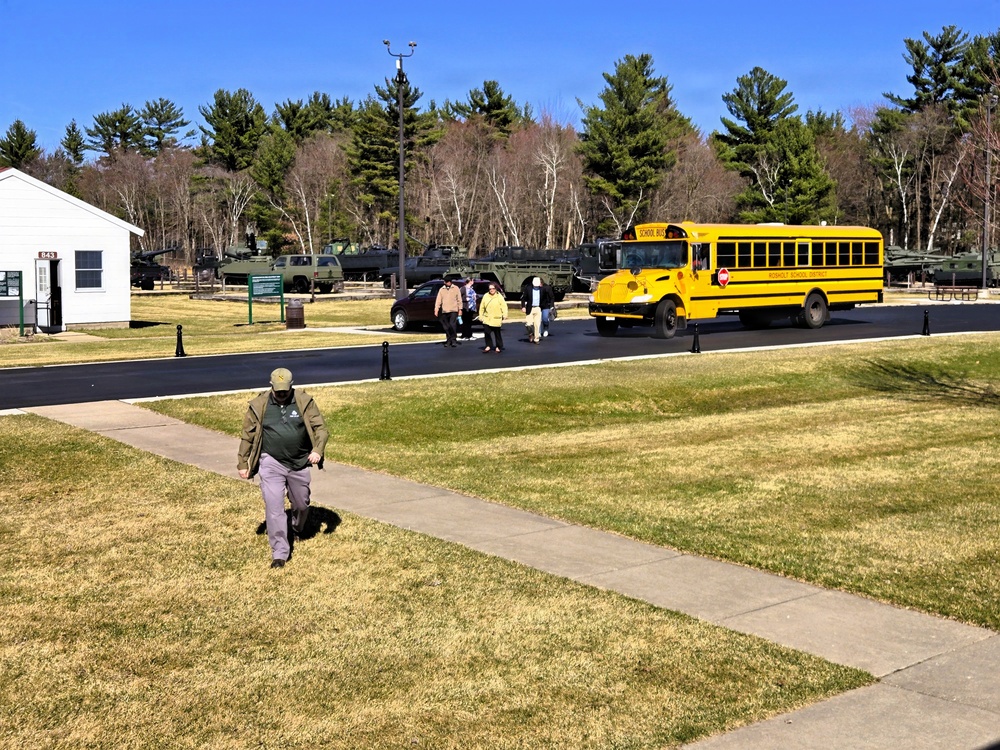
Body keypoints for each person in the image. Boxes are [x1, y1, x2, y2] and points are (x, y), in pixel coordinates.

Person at [237, 368, 329, 569]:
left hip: (299, 461)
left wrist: (317, 450)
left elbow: (320, 429)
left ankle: (296, 528)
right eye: (277, 391)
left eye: (284, 391)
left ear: (291, 386)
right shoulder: (259, 405)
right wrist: (242, 462)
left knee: (302, 504)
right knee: (274, 506)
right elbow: (248, 436)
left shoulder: (304, 401)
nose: (281, 395)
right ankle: (280, 553)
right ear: (271, 386)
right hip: (271, 461)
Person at [520, 276, 553, 344]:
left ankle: (536, 339)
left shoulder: (543, 289)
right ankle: (530, 334)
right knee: (529, 324)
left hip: (538, 308)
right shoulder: (528, 288)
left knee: (537, 325)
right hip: (530, 308)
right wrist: (523, 307)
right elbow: (523, 298)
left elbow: (547, 298)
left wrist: (549, 307)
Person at [478, 282, 508, 352]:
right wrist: (481, 316)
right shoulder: (485, 296)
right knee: (487, 332)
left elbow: (504, 306)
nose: (491, 290)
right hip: (487, 318)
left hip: (496, 318)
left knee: (497, 333)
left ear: (496, 289)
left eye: (493, 289)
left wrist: (505, 314)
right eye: (490, 289)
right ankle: (488, 345)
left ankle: (498, 346)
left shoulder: (499, 296)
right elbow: (482, 307)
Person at [434, 277, 463, 347]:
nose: (449, 282)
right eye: (447, 281)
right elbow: (438, 300)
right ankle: (448, 340)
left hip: (454, 310)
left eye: (450, 281)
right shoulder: (441, 290)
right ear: (444, 282)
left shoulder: (456, 288)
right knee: (446, 327)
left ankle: (453, 340)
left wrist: (460, 310)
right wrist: (436, 309)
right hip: (445, 311)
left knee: (452, 324)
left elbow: (459, 300)